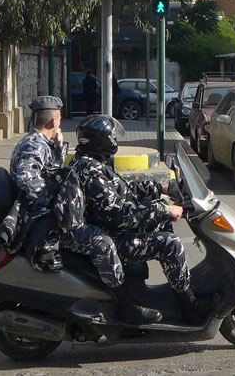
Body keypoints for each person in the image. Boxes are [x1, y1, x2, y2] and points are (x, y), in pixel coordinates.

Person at [55, 116, 200, 325]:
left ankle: (163, 294)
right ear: (102, 140)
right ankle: (188, 308)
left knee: (161, 226)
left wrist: (161, 187)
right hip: (108, 236)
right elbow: (120, 215)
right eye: (113, 137)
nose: (115, 141)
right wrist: (164, 209)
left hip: (108, 229)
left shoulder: (93, 162)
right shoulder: (91, 171)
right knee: (170, 245)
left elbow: (124, 189)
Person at [0, 96, 69, 270]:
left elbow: (51, 173)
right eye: (59, 120)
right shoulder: (34, 145)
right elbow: (28, 181)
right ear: (53, 121)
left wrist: (58, 147)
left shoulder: (41, 143)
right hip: (31, 213)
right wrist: (54, 202)